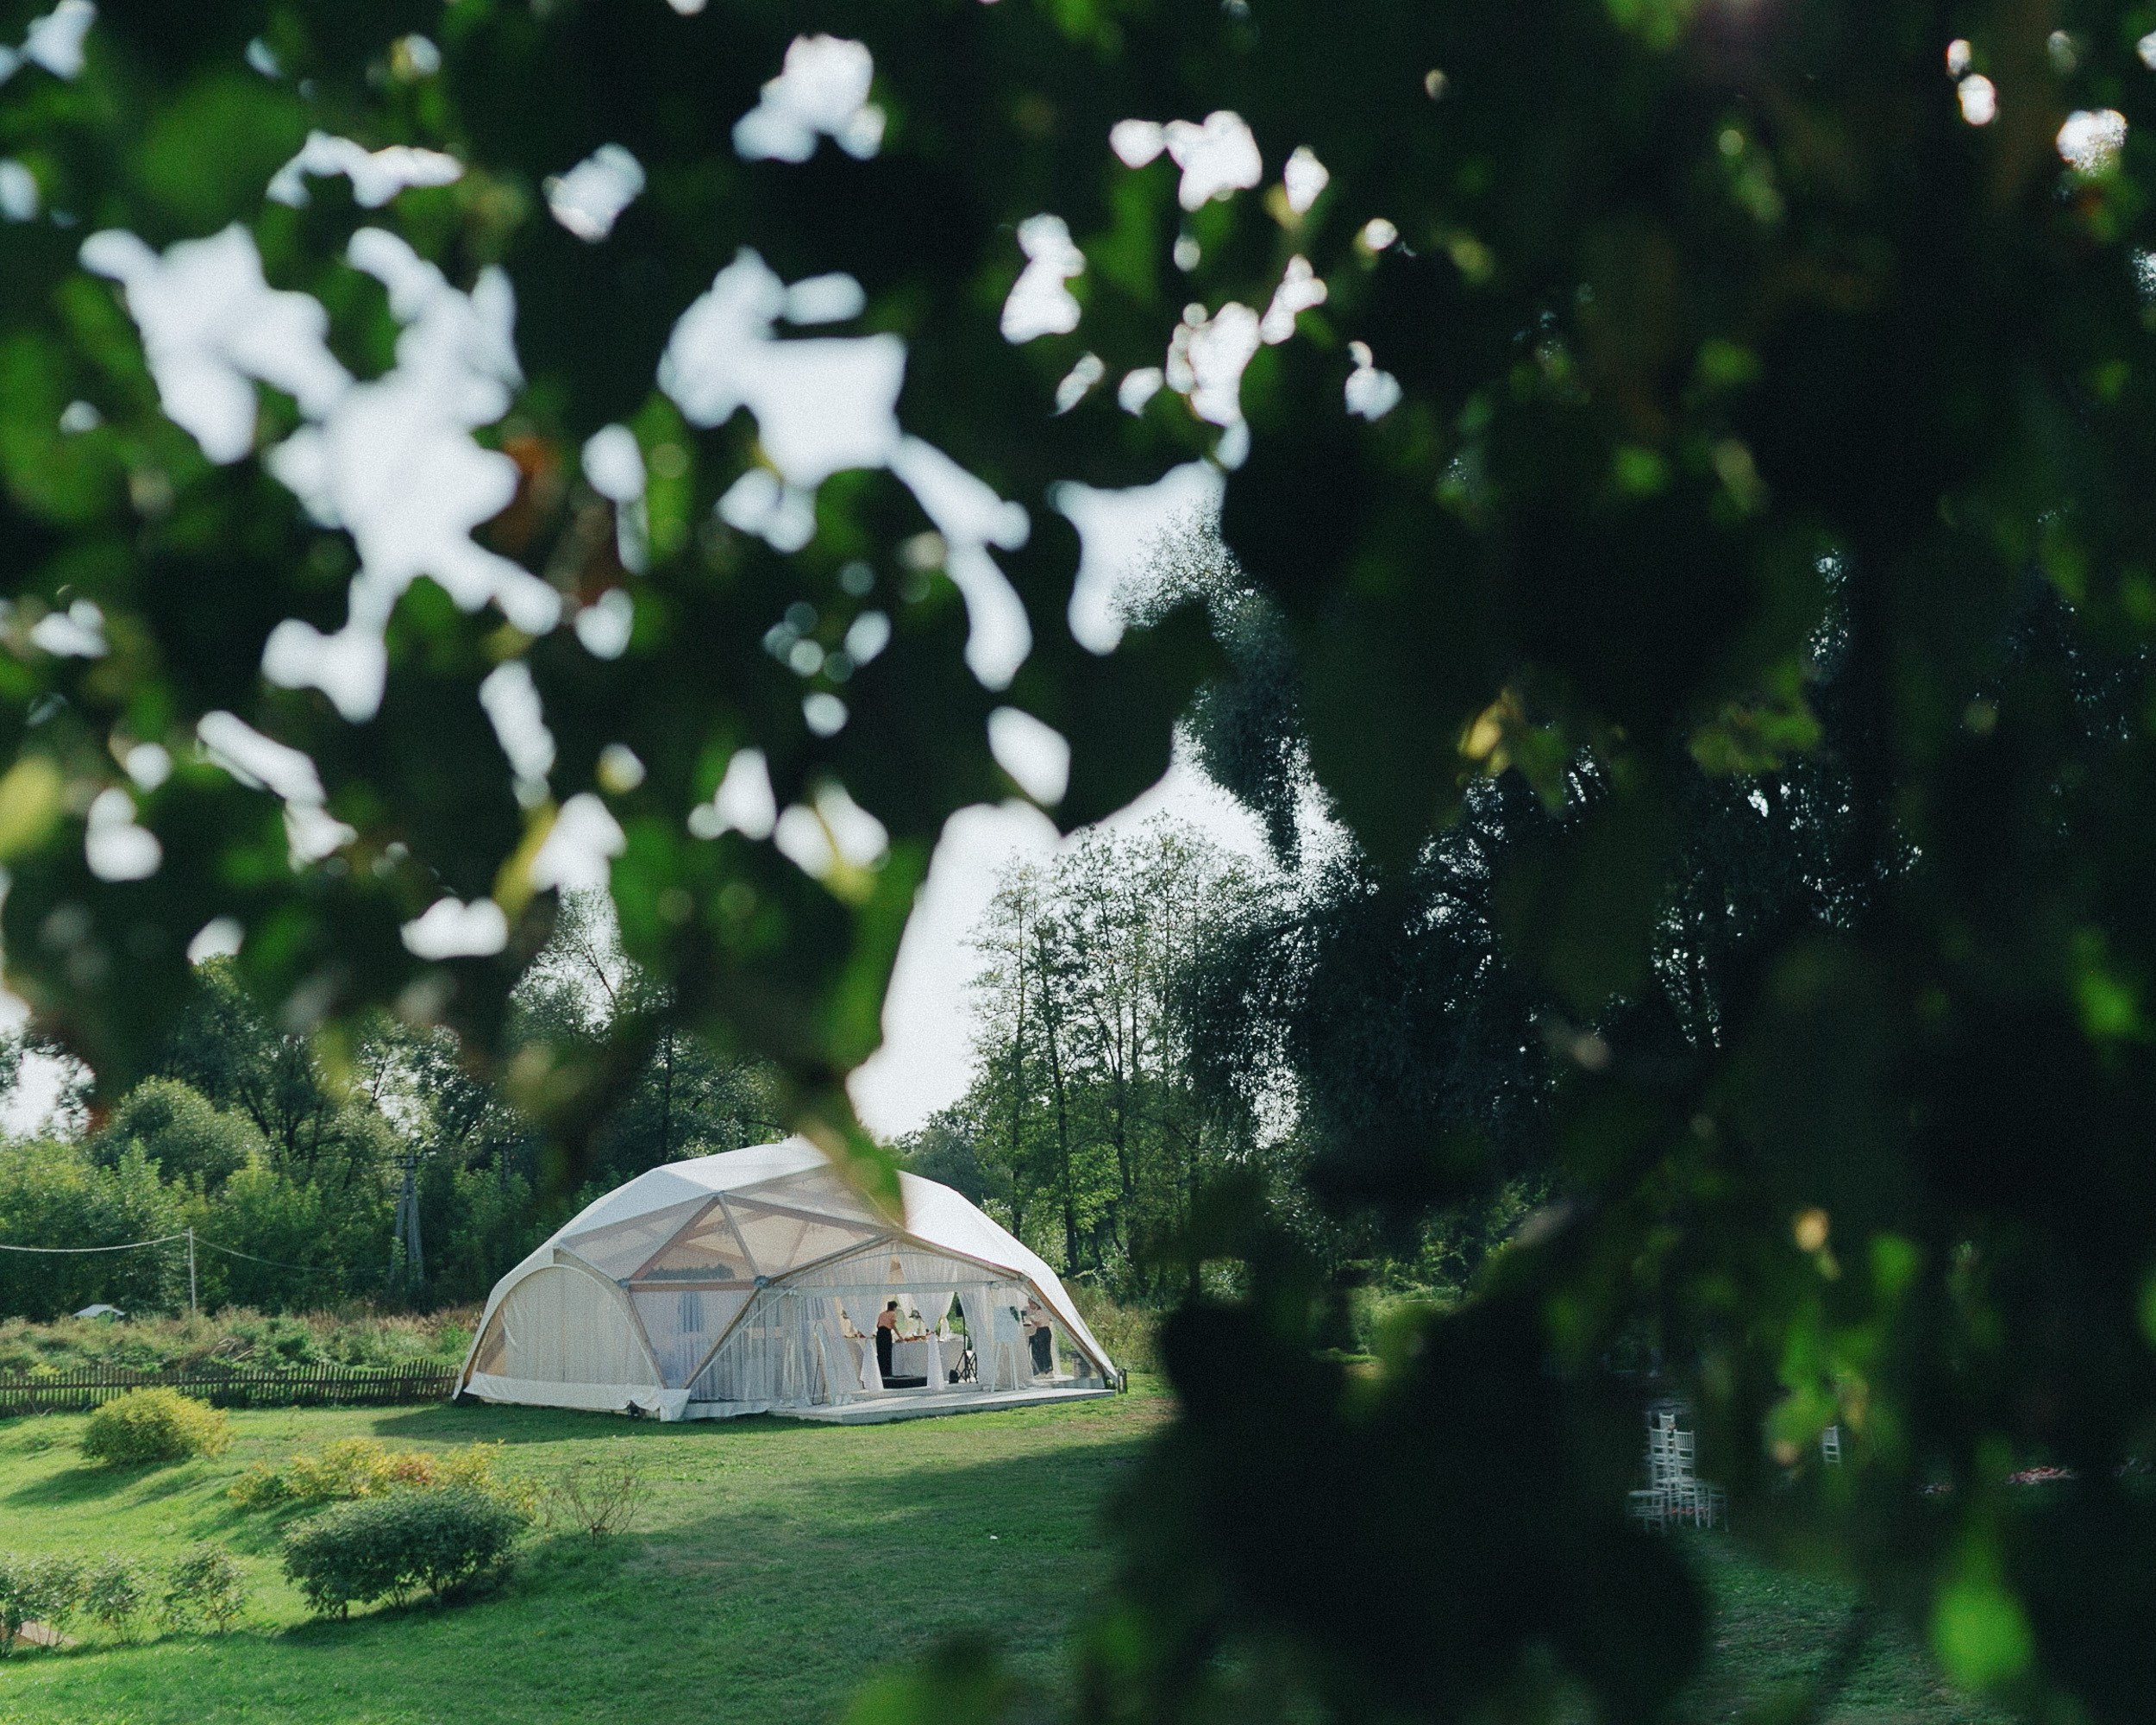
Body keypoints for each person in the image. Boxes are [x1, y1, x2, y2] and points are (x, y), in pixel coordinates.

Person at [1025, 1295, 1053, 1377]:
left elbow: (1038, 1324)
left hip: (1041, 1331)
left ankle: (1042, 1371)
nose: (1030, 1306)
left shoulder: (1039, 1312)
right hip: (1047, 1331)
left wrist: (1030, 1319)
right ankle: (1049, 1371)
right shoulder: (1045, 1311)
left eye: (1031, 1304)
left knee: (1040, 1352)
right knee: (1046, 1351)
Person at [875, 1299, 899, 1382]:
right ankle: (887, 1372)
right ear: (894, 1307)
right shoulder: (893, 1314)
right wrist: (899, 1335)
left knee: (880, 1352)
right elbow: (892, 1325)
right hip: (886, 1333)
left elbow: (877, 1325)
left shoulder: (882, 1314)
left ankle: (881, 1371)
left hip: (879, 1333)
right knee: (887, 1352)